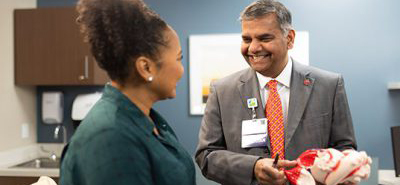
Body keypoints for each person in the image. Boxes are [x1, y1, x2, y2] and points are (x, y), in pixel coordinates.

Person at [195, 0, 357, 185]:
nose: (253, 48)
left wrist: (346, 168)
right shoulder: (222, 91)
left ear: (289, 39)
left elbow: (345, 147)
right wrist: (253, 167)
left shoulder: (329, 85)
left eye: (264, 38)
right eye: (247, 39)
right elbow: (206, 156)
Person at [59, 0, 195, 184]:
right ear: (146, 68)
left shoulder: (147, 120)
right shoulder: (111, 139)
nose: (181, 69)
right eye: (179, 58)